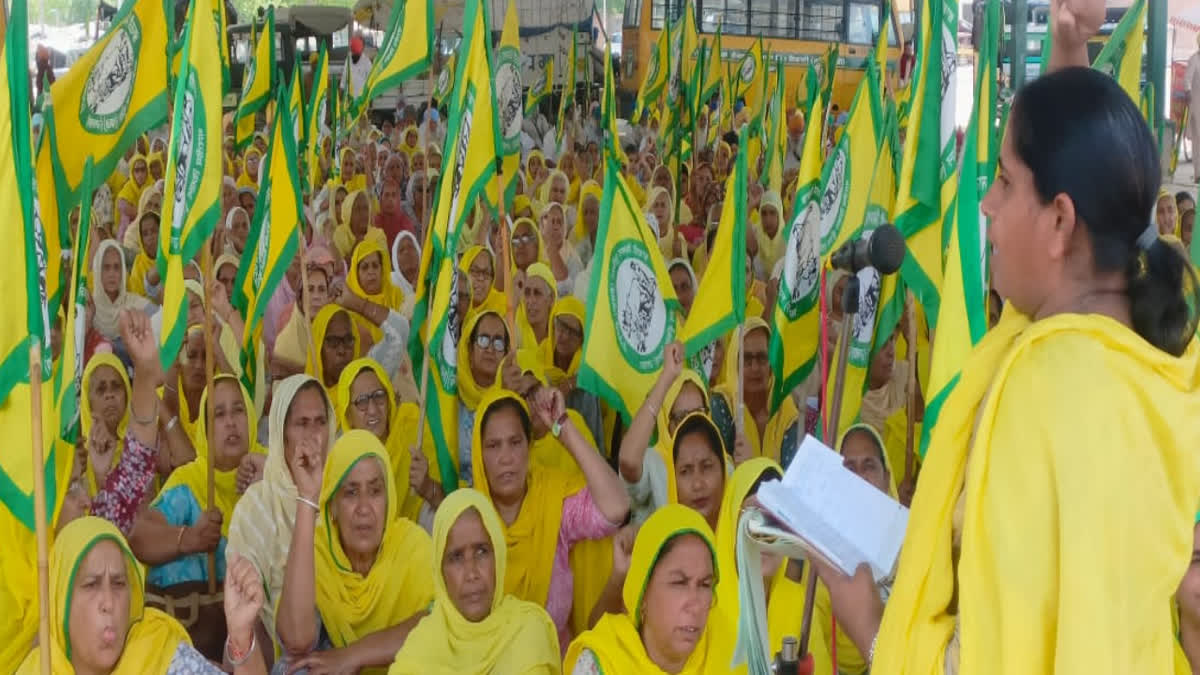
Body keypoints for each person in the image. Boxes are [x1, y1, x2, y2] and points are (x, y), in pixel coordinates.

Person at [817, 65, 1200, 673]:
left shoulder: (1044, 394)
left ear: (1060, 221)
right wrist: (1069, 57)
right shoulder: (1152, 363)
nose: (987, 205)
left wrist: (869, 624)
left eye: (1003, 180)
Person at [470, 388, 630, 650]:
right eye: (493, 445)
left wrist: (563, 426)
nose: (506, 457)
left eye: (515, 442)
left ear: (529, 446)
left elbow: (616, 507)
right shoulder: (468, 521)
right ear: (479, 453)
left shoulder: (552, 501)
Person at [15, 516, 269, 674]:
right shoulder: (39, 670)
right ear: (61, 602)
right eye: (91, 584)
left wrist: (241, 636)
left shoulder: (161, 655)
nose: (109, 602)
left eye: (118, 583)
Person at [275, 430, 433, 673]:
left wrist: (353, 656)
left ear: (389, 498)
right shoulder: (317, 552)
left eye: (375, 491)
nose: (364, 509)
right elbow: (295, 640)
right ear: (333, 506)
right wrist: (307, 498)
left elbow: (437, 621)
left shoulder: (411, 546)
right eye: (350, 492)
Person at [131, 375, 265, 659]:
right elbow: (139, 537)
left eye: (238, 410)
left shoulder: (273, 470)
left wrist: (266, 489)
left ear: (252, 417)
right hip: (196, 644)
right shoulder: (190, 480)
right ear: (205, 429)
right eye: (218, 414)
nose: (230, 422)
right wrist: (188, 538)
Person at [386, 489, 562, 674]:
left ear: (498, 556)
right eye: (456, 557)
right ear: (440, 571)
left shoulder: (527, 631)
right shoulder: (420, 649)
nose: (471, 573)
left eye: (482, 552)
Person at [226, 375, 335, 658]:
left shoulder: (346, 494)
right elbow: (249, 612)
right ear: (280, 432)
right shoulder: (256, 508)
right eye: (302, 423)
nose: (313, 435)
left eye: (320, 422)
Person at [563, 504, 734, 674]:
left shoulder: (727, 651)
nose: (696, 606)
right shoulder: (605, 662)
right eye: (679, 583)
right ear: (642, 592)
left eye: (705, 585)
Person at [713, 458, 835, 675]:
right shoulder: (705, 607)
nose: (765, 535)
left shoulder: (801, 607)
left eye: (777, 520)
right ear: (732, 521)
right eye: (752, 517)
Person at [334, 358, 423, 521]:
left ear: (390, 399)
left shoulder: (412, 428)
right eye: (362, 401)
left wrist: (426, 485)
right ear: (348, 415)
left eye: (379, 396)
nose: (373, 409)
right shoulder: (340, 459)